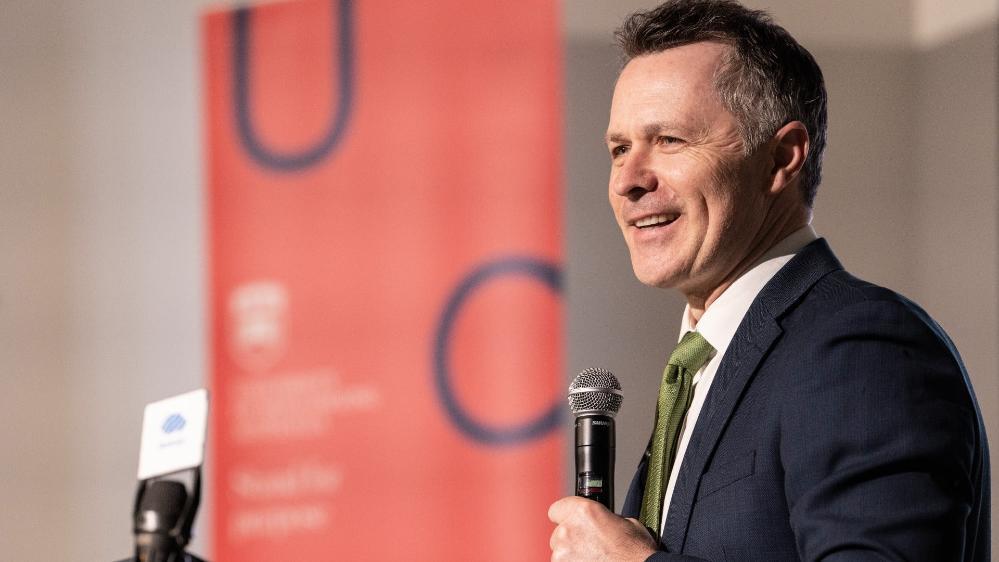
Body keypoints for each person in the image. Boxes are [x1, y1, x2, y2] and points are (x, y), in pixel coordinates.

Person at [547, 1, 990, 560]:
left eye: (671, 141)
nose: (629, 181)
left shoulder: (861, 350)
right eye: (619, 149)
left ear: (782, 158)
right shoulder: (702, 366)